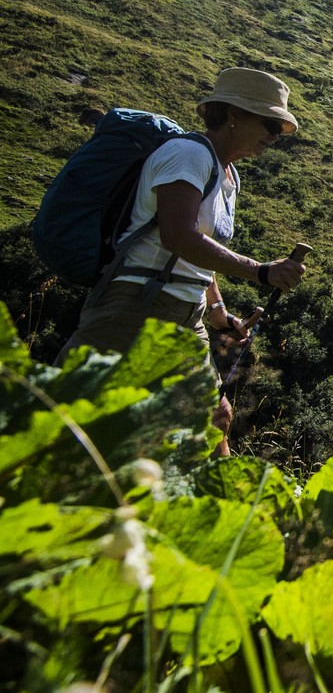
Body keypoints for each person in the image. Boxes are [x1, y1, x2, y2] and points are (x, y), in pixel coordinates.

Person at [55, 67, 308, 456]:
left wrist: (218, 311)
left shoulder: (228, 175)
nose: (275, 136)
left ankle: (224, 511)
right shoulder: (188, 155)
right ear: (233, 114)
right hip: (136, 304)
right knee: (73, 419)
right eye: (269, 123)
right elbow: (178, 235)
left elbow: (195, 251)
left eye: (279, 127)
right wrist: (261, 271)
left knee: (214, 418)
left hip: (184, 313)